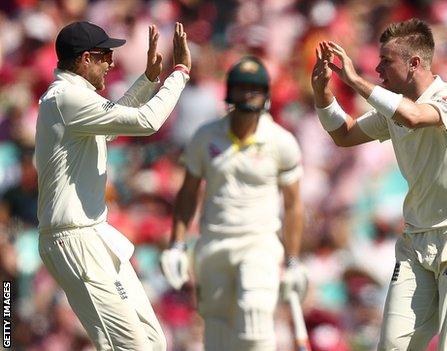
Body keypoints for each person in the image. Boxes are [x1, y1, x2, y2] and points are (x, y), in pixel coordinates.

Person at [311, 18, 447, 350]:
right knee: (393, 346)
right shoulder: (390, 110)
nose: (377, 68)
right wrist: (323, 95)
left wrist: (355, 80)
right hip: (417, 240)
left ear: (414, 63)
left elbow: (414, 116)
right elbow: (344, 134)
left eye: (386, 61)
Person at [35, 21, 191, 350]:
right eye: (105, 55)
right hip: (74, 239)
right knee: (128, 347)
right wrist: (179, 73)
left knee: (152, 342)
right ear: (85, 59)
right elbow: (147, 121)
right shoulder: (66, 98)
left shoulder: (77, 101)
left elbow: (115, 121)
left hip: (93, 234)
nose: (111, 62)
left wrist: (149, 80)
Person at [160, 56, 307, 351]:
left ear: (266, 94)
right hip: (214, 242)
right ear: (229, 92)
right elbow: (188, 193)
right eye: (241, 88)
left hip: (259, 243)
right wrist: (177, 244)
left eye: (254, 88)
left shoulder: (281, 141)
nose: (248, 95)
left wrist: (292, 261)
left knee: (254, 316)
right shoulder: (205, 136)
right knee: (217, 331)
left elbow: (293, 206)